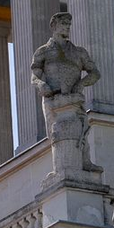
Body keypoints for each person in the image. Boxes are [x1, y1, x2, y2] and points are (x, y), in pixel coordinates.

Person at [31, 11, 103, 175]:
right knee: (55, 132)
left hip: (73, 97)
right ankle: (59, 168)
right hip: (53, 98)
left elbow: (95, 73)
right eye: (64, 24)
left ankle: (85, 161)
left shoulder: (79, 52)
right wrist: (41, 84)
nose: (67, 27)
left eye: (69, 25)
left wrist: (81, 84)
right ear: (54, 26)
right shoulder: (43, 51)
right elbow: (34, 75)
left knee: (81, 128)